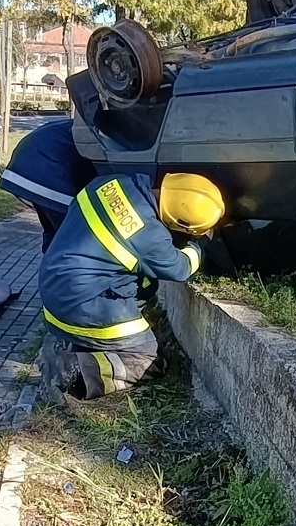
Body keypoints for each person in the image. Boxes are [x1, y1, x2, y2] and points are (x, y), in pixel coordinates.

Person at [37, 169, 225, 401]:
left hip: (53, 290)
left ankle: (74, 342)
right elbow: (181, 268)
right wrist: (199, 244)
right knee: (148, 361)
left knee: (144, 284)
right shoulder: (149, 235)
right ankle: (70, 367)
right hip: (83, 306)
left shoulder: (111, 182)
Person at [0, 116, 92, 251]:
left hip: (27, 164)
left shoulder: (87, 128)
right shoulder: (105, 137)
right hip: (45, 170)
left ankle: (51, 260)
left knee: (56, 231)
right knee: (71, 233)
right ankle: (61, 261)